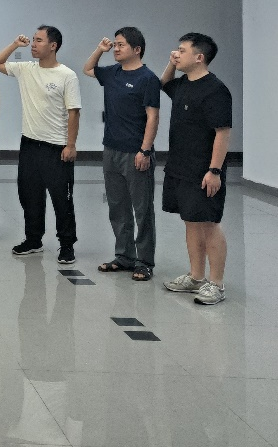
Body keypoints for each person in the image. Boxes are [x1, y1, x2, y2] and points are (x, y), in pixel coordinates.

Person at [0, 26, 81, 264]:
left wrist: (70, 145)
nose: (33, 44)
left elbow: (73, 113)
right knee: (29, 195)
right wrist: (15, 44)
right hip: (30, 144)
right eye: (33, 40)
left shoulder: (67, 75)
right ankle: (33, 240)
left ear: (53, 46)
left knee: (62, 199)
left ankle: (66, 245)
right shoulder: (26, 69)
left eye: (39, 40)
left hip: (57, 147)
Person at [159, 33, 232, 306]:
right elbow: (163, 84)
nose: (176, 54)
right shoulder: (182, 84)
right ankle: (196, 277)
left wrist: (215, 170)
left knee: (209, 223)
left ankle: (216, 284)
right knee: (190, 221)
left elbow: (222, 133)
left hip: (204, 170)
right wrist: (171, 62)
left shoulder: (216, 90)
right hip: (180, 166)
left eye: (182, 50)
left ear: (199, 57)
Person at [83, 28, 161, 282]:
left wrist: (145, 150)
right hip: (111, 149)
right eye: (115, 45)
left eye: (121, 45)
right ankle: (124, 256)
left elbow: (153, 116)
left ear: (137, 49)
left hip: (136, 152)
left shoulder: (147, 78)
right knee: (117, 207)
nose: (116, 49)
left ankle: (144, 261)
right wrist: (100, 49)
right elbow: (88, 68)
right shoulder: (112, 73)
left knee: (142, 209)